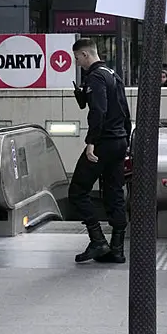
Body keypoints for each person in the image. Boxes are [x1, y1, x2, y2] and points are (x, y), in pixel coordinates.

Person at [69, 38, 131, 264]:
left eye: (77, 59)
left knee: (77, 190)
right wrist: (126, 141)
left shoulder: (95, 76)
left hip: (103, 142)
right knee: (114, 193)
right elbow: (124, 110)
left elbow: (98, 111)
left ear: (86, 55)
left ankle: (98, 241)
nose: (78, 64)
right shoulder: (113, 74)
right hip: (119, 141)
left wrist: (91, 141)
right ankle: (117, 249)